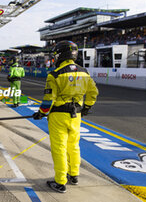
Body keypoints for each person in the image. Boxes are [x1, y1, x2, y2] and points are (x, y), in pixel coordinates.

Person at [32, 40, 98, 193]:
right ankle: (73, 175)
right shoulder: (84, 72)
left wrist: (41, 113)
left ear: (61, 55)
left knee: (59, 148)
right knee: (74, 146)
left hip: (58, 116)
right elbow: (94, 93)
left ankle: (60, 181)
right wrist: (87, 107)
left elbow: (49, 100)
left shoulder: (54, 75)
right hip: (76, 116)